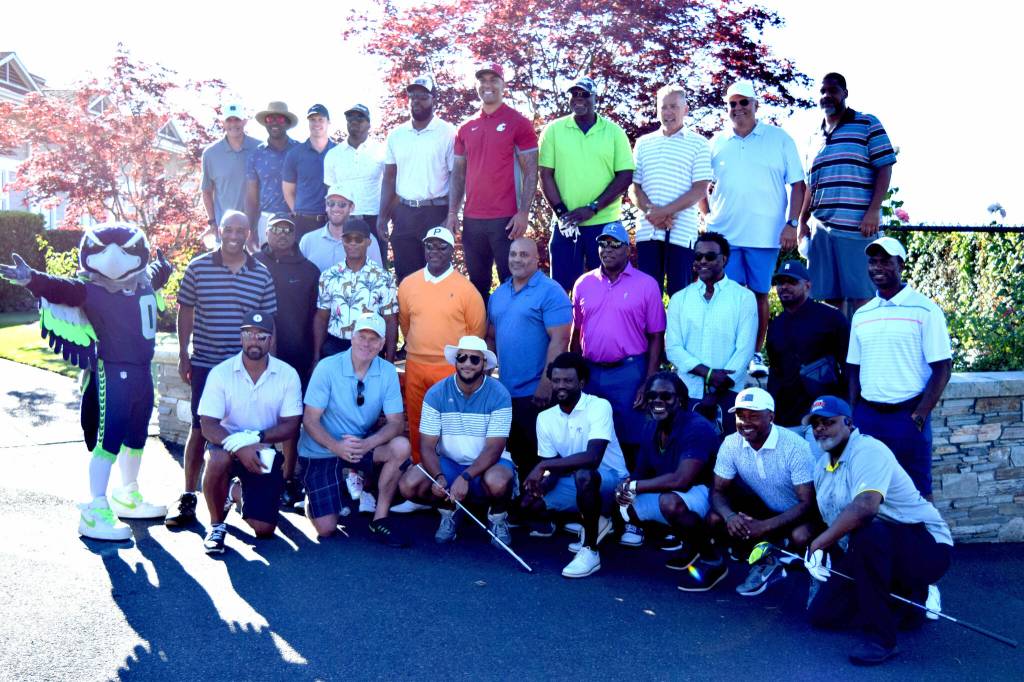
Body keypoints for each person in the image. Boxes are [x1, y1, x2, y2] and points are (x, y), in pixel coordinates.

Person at [0, 224, 172, 541]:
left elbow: (159, 271)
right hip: (113, 371)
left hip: (143, 371)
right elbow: (59, 288)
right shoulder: (91, 291)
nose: (114, 257)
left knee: (137, 436)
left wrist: (166, 264)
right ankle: (95, 507)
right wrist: (31, 279)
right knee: (109, 440)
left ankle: (127, 493)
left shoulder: (145, 282)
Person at [804, 396, 952, 666]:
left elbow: (865, 508)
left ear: (848, 423)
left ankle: (882, 639)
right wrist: (828, 551)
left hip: (925, 545)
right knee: (822, 615)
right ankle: (907, 601)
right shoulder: (821, 467)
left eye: (829, 422)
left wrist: (817, 545)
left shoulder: (868, 450)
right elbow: (832, 521)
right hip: (876, 548)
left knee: (868, 533)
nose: (821, 429)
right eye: (815, 425)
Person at [166, 211, 278, 528]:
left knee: (244, 426)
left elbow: (270, 323)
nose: (234, 234)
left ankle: (235, 492)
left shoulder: (261, 273)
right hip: (206, 361)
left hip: (246, 367)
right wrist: (183, 354)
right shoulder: (198, 267)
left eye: (241, 229)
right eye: (228, 228)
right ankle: (188, 496)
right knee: (201, 430)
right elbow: (185, 312)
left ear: (248, 234)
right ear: (219, 230)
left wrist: (272, 363)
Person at [701, 80, 805, 354]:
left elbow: (798, 185)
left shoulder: (780, 139)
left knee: (759, 295)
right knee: (727, 298)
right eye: (732, 103)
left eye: (744, 102)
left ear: (756, 105)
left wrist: (792, 224)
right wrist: (707, 215)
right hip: (725, 238)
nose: (738, 108)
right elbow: (700, 182)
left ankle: (754, 354)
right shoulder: (716, 143)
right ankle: (729, 353)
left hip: (765, 235)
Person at [848, 237, 952, 498]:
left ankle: (925, 540)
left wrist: (919, 416)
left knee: (917, 491)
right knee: (868, 490)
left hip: (907, 416)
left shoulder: (925, 310)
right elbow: (853, 369)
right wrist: (853, 412)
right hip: (868, 417)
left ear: (901, 265)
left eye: (886, 261)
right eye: (873, 261)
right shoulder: (862, 314)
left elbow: (943, 368)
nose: (877, 267)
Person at [298, 312, 412, 546]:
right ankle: (313, 493)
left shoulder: (387, 371)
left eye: (374, 339)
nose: (367, 343)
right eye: (362, 336)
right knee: (327, 529)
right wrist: (336, 446)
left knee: (401, 447)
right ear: (352, 337)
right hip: (323, 448)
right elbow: (309, 420)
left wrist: (368, 444)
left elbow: (396, 423)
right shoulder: (327, 367)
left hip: (360, 445)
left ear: (382, 344)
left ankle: (380, 518)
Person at [690, 388, 817, 595]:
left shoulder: (795, 447)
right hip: (766, 507)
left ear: (771, 417)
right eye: (740, 415)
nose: (745, 422)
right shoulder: (731, 443)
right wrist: (730, 517)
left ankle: (778, 560)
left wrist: (764, 526)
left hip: (800, 514)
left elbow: (808, 504)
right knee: (716, 517)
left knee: (800, 535)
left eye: (754, 416)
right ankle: (719, 564)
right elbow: (718, 491)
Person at [197, 312, 303, 555]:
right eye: (249, 334)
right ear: (241, 338)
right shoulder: (221, 373)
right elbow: (208, 425)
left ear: (271, 339)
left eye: (261, 335)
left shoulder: (287, 374)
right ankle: (215, 526)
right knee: (217, 460)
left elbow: (290, 425)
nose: (254, 340)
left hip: (262, 450)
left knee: (264, 530)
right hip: (223, 445)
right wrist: (239, 447)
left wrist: (254, 440)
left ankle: (235, 493)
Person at [397, 336, 515, 547]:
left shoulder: (499, 394)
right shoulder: (436, 393)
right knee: (408, 485)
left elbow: (494, 448)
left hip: (489, 465)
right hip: (450, 463)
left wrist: (466, 477)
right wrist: (439, 477)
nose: (467, 363)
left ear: (484, 364)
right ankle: (449, 511)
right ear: (456, 361)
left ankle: (498, 518)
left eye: (474, 359)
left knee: (498, 482)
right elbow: (427, 445)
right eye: (462, 358)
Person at [519, 352, 629, 578]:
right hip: (578, 480)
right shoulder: (546, 418)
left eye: (568, 381)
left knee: (585, 475)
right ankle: (595, 520)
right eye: (556, 380)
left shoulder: (599, 406)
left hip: (613, 483)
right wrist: (541, 486)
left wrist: (543, 466)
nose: (561, 386)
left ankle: (590, 550)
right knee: (530, 506)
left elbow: (593, 458)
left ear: (581, 383)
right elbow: (555, 468)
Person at [799, 73, 897, 314]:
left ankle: (862, 352)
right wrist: (801, 221)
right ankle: (835, 352)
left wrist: (873, 211)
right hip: (821, 231)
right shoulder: (814, 137)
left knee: (862, 299)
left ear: (845, 93)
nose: (826, 96)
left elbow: (884, 167)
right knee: (828, 302)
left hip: (857, 228)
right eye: (822, 91)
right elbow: (810, 185)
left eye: (832, 90)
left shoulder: (867, 124)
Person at [570, 222, 665, 463]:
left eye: (614, 244)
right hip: (591, 372)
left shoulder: (647, 284)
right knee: (592, 437)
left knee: (632, 437)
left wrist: (649, 380)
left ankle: (630, 492)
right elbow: (576, 332)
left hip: (630, 372)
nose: (607, 249)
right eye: (603, 243)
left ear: (627, 249)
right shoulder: (583, 283)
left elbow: (656, 336)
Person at [446, 63, 538, 303]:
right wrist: (452, 212)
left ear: (503, 85)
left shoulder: (518, 122)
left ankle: (508, 338)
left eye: (493, 80)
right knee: (477, 285)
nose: (487, 85)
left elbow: (531, 171)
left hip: (506, 220)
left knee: (512, 282)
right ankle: (481, 339)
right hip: (473, 220)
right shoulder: (465, 128)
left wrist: (523, 212)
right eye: (482, 80)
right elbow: (458, 173)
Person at [397, 227, 487, 462]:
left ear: (452, 251)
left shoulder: (466, 290)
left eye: (441, 246)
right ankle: (420, 473)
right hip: (415, 364)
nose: (435, 251)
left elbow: (476, 333)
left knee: (451, 425)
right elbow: (405, 325)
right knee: (417, 421)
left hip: (450, 368)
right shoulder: (408, 284)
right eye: (430, 245)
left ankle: (448, 478)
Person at [486, 237, 571, 479]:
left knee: (541, 459)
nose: (517, 259)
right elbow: (491, 338)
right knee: (514, 455)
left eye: (524, 255)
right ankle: (516, 506)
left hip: (537, 392)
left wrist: (547, 383)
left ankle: (541, 509)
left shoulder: (551, 292)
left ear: (537, 259)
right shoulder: (499, 293)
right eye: (513, 254)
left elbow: (560, 341)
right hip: (505, 393)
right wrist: (488, 382)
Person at [616, 372, 718, 572]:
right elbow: (640, 473)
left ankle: (710, 556)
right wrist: (625, 489)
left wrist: (635, 486)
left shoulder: (696, 427)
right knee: (628, 504)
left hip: (709, 494)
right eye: (652, 395)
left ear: (680, 400)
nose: (657, 401)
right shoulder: (650, 426)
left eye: (666, 396)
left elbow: (683, 480)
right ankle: (687, 540)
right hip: (676, 491)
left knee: (669, 503)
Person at [539, 76, 634, 292]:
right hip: (565, 225)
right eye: (574, 94)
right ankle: (566, 328)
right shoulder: (553, 130)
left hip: (604, 224)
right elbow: (545, 175)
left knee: (608, 288)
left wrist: (593, 208)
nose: (578, 99)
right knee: (562, 290)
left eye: (584, 94)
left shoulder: (614, 132)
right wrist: (563, 213)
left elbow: (625, 176)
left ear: (594, 98)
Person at [254, 213, 320, 505]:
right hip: (256, 356)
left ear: (294, 235)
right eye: (275, 229)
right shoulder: (251, 264)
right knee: (259, 417)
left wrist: (315, 354)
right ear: (266, 232)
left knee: (291, 420)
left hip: (298, 355)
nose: (281, 233)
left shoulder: (309, 270)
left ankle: (288, 477)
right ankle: (256, 476)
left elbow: (317, 316)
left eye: (287, 229)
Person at [665, 231, 756, 436]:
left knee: (726, 457)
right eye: (698, 256)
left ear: (724, 259)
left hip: (729, 394)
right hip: (688, 392)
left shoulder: (744, 297)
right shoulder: (680, 299)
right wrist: (708, 374)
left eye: (710, 256)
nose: (703, 261)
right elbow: (673, 348)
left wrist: (717, 387)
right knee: (688, 456)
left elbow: (745, 349)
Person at [630, 84, 712, 297]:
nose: (667, 112)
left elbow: (699, 189)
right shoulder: (643, 143)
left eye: (673, 106)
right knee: (647, 298)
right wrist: (652, 213)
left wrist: (663, 212)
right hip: (648, 231)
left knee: (680, 297)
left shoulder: (699, 144)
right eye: (663, 107)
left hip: (681, 233)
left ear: (685, 109)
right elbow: (634, 187)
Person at [379, 75, 457, 283]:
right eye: (413, 96)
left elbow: (456, 176)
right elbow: (389, 177)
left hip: (435, 212)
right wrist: (382, 215)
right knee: (405, 279)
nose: (417, 101)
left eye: (423, 96)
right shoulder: (397, 135)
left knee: (436, 278)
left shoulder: (447, 132)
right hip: (403, 214)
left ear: (434, 99)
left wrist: (452, 214)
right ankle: (407, 317)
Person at [765, 260, 849, 446]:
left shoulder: (831, 318)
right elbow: (774, 371)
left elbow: (848, 366)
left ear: (807, 286)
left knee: (823, 472)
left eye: (791, 282)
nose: (784, 287)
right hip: (786, 418)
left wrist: (846, 408)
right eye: (780, 282)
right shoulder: (776, 325)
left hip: (823, 416)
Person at [312, 215, 398, 363]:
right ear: (342, 241)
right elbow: (321, 317)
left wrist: (389, 360)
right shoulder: (329, 276)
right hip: (335, 347)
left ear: (368, 242)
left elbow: (390, 320)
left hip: (369, 348)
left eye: (358, 239)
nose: (352, 243)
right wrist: (315, 357)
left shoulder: (384, 278)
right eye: (347, 239)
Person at [201, 102, 260, 244]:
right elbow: (206, 191)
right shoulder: (210, 154)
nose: (233, 124)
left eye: (237, 119)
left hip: (255, 229)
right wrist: (212, 223)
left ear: (245, 121)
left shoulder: (260, 149)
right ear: (223, 123)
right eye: (229, 120)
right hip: (225, 231)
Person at [324, 104, 385, 237]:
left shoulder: (382, 151)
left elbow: (390, 186)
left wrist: (385, 217)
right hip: (343, 220)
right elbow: (331, 190)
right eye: (350, 119)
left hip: (374, 219)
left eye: (360, 119)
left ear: (369, 124)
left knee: (376, 257)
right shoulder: (333, 154)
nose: (354, 122)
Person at [245, 101, 299, 249]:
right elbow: (251, 197)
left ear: (287, 123)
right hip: (266, 220)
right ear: (265, 123)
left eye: (280, 119)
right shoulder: (255, 155)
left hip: (295, 218)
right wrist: (251, 230)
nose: (275, 123)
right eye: (270, 119)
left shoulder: (300, 151)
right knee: (267, 267)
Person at [283, 104, 337, 239]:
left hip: (334, 220)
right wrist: (298, 213)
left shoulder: (339, 152)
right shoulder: (295, 154)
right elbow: (288, 191)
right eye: (313, 120)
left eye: (320, 119)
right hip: (304, 222)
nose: (316, 123)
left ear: (328, 122)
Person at [299, 185, 384, 271]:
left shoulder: (366, 240)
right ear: (326, 207)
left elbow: (379, 278)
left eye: (342, 204)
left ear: (351, 208)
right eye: (331, 203)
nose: (336, 208)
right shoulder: (308, 240)